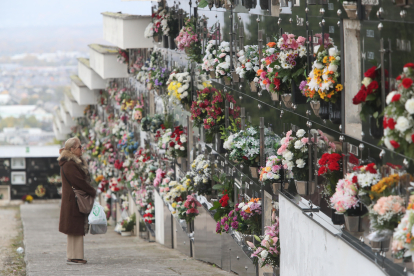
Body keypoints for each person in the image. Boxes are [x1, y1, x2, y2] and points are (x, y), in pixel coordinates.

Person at [58, 137, 96, 265]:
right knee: (76, 228)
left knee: (73, 229)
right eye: (80, 147)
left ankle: (72, 255)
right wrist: (92, 191)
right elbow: (79, 182)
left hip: (71, 200)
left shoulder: (69, 163)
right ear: (72, 149)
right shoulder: (70, 164)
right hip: (74, 201)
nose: (82, 149)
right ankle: (76, 256)